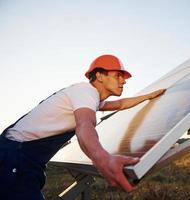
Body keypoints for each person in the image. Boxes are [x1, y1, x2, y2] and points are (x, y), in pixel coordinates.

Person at [0, 54, 166, 200]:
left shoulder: (86, 96)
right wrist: (102, 158)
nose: (123, 81)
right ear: (100, 76)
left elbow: (120, 104)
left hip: (20, 157)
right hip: (15, 158)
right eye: (118, 75)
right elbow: (84, 124)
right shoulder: (86, 93)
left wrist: (148, 96)